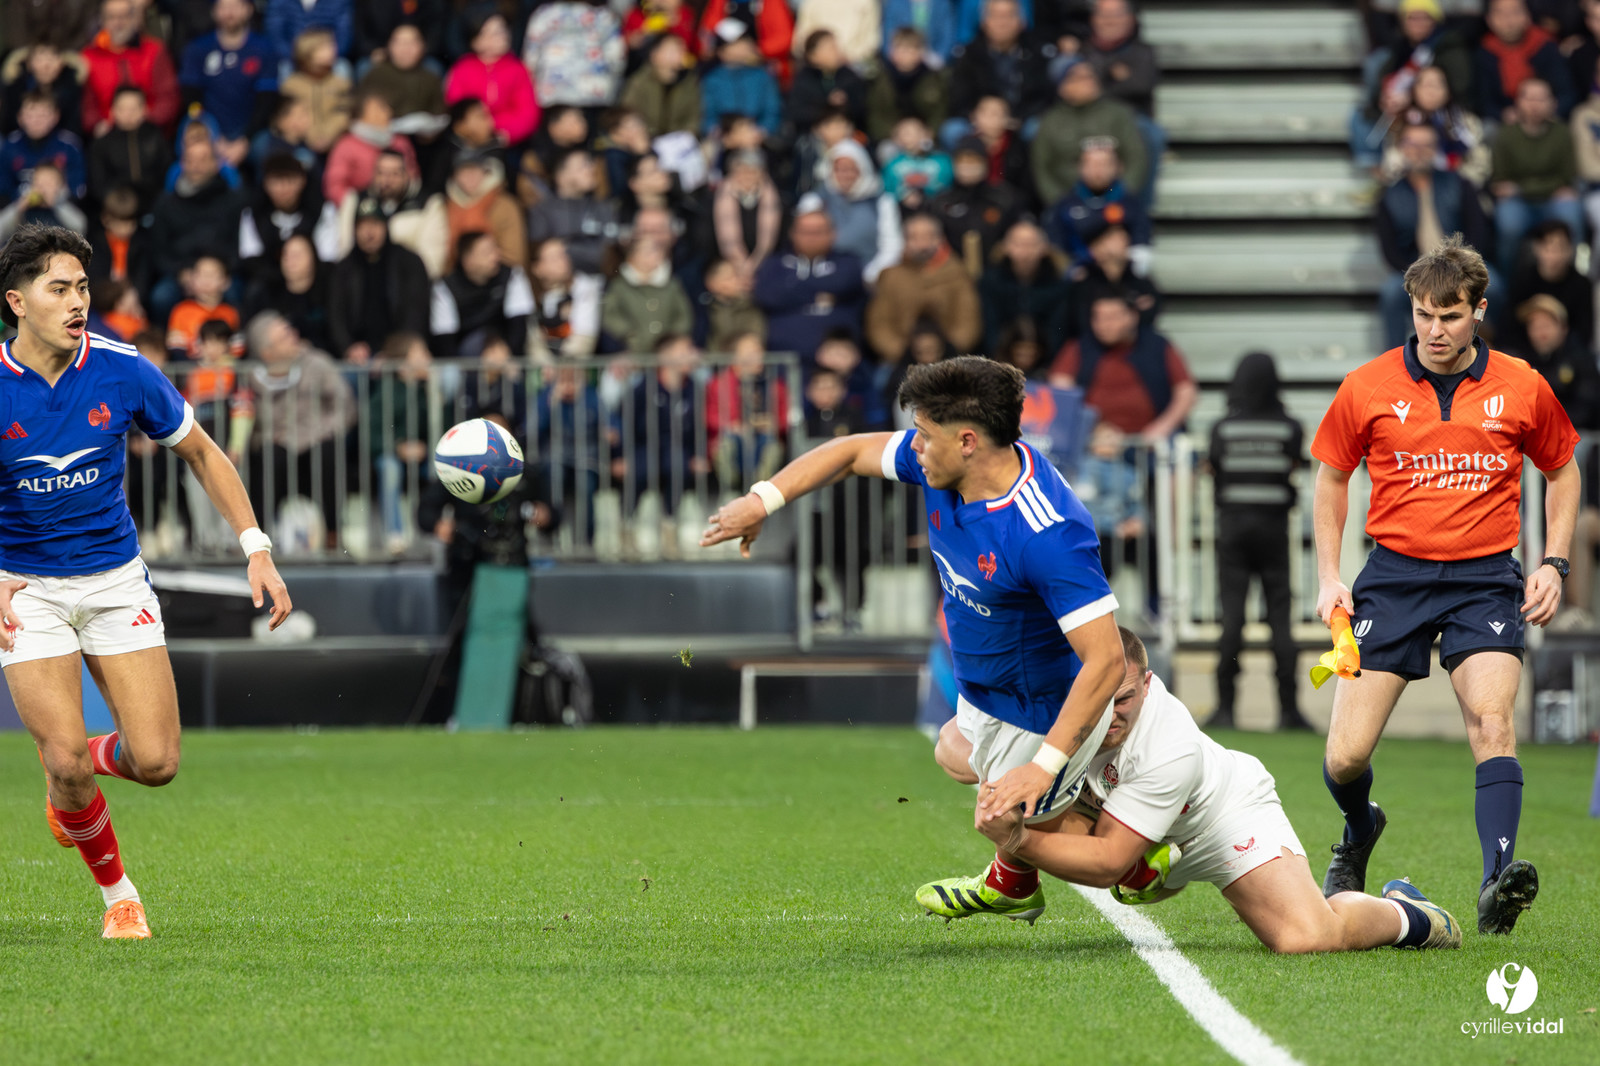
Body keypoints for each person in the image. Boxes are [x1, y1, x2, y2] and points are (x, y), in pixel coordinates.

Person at [702, 356, 1125, 923]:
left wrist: (1043, 765)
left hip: (1041, 706)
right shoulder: (944, 463)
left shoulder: (1047, 532)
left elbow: (1106, 660)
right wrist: (762, 500)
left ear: (968, 441)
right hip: (987, 689)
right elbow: (849, 451)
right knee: (951, 750)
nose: (914, 446)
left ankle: (1121, 860)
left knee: (1001, 817)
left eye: (924, 434)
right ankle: (1090, 797)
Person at [0, 223, 291, 938]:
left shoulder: (123, 369)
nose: (77, 302)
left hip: (115, 583)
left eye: (82, 288)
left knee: (156, 762)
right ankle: (119, 897)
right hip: (25, 588)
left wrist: (256, 547)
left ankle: (70, 777)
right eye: (59, 289)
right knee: (65, 759)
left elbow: (203, 453)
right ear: (17, 301)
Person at [1311, 234, 1579, 935]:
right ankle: (1359, 828)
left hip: (1485, 579)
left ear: (1479, 311)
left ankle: (1497, 884)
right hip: (1392, 577)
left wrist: (1553, 562)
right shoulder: (1367, 386)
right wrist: (1330, 577)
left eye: (1451, 316)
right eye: (1424, 314)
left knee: (1493, 723)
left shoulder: (1522, 384)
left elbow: (1563, 470)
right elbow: (1332, 478)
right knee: (1345, 756)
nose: (1435, 330)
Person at [960, 628, 1463, 953]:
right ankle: (1143, 869)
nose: (1111, 714)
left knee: (1308, 938)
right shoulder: (1062, 709)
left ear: (1148, 684)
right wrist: (988, 764)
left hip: (1219, 820)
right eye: (1101, 698)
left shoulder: (1169, 744)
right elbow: (951, 745)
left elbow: (1107, 861)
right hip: (1141, 829)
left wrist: (1016, 840)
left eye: (1125, 698)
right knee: (1048, 803)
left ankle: (1410, 913)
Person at [1207, 352, 1313, 733]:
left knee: (1232, 619)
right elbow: (1293, 469)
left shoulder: (1222, 429)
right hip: (1273, 531)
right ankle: (1288, 710)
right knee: (1280, 619)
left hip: (1233, 531)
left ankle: (1225, 709)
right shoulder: (1289, 428)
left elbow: (1216, 472)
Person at [1375, 120, 1495, 348]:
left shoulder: (1459, 184)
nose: (1419, 151)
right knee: (1390, 293)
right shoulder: (1389, 195)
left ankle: (1486, 352)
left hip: (1461, 268)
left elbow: (1478, 233)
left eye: (1426, 144)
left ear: (1436, 148)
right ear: (1401, 147)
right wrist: (1421, 276)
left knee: (1495, 287)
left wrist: (1459, 268)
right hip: (1413, 272)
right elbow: (1389, 251)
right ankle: (1395, 359)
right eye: (1413, 144)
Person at [1048, 293, 1196, 441]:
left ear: (1133, 316)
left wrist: (1163, 427)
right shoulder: (1078, 348)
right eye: (1097, 318)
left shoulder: (1158, 346)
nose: (1103, 325)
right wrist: (1092, 429)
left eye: (1111, 318)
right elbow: (1060, 391)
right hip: (1094, 441)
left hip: (1151, 440)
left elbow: (1186, 391)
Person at [1489, 77, 1583, 279]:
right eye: (1529, 98)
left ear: (1553, 103)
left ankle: (1574, 282)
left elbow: (1567, 178)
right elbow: (1500, 182)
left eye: (1541, 99)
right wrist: (1544, 186)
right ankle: (1508, 282)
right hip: (1518, 202)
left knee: (1572, 216)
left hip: (1551, 200)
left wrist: (1520, 188)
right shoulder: (1505, 135)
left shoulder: (1562, 133)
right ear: (1518, 102)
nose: (1535, 105)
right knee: (1509, 225)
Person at [752, 204, 868, 363]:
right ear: (792, 234)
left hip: (840, 361)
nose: (812, 237)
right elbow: (768, 296)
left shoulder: (848, 262)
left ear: (833, 233)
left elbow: (844, 283)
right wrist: (822, 293)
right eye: (805, 231)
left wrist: (791, 289)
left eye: (818, 231)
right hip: (783, 360)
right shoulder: (774, 264)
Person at [1032, 56, 1148, 206]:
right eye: (1079, 78)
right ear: (1062, 87)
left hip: (1115, 200)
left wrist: (1122, 195)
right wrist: (1060, 203)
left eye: (1090, 75)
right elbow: (1042, 169)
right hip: (1069, 202)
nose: (1089, 81)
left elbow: (1136, 157)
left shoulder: (1118, 114)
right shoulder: (1051, 121)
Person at [328, 199, 432, 365]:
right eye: (362, 226)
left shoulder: (408, 261)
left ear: (386, 227)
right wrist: (348, 347)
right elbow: (336, 316)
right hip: (358, 357)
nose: (369, 233)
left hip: (402, 353)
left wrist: (395, 352)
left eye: (375, 224)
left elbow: (416, 313)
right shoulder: (344, 269)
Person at [865, 213, 980, 361]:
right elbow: (879, 324)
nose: (922, 244)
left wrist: (948, 351)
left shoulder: (958, 274)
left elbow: (968, 321)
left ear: (939, 239)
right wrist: (902, 354)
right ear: (905, 241)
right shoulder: (890, 277)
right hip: (901, 360)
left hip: (950, 359)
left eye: (928, 237)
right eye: (914, 237)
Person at [179, 0, 280, 167]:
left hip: (252, 131)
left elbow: (267, 101)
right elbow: (191, 98)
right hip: (209, 126)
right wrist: (212, 135)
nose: (229, 13)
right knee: (190, 144)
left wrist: (245, 140)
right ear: (213, 11)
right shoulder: (198, 48)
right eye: (223, 7)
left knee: (270, 151)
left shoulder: (264, 48)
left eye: (235, 7)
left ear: (249, 10)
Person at [81, 0, 180, 136]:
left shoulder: (155, 51)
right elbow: (87, 107)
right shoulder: (89, 57)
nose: (118, 23)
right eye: (111, 17)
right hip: (107, 136)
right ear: (102, 21)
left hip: (150, 134)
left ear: (135, 18)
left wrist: (145, 120)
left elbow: (168, 98)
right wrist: (98, 124)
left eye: (124, 16)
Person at [979, 218, 1070, 355]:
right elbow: (990, 327)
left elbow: (1058, 329)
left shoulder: (1058, 283)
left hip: (1044, 357)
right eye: (1018, 244)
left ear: (1045, 248)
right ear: (1005, 247)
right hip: (1001, 356)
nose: (1025, 252)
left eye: (1032, 245)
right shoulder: (990, 282)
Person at [1477, 0, 1575, 122]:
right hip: (1506, 121)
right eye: (1500, 13)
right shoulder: (1485, 52)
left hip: (1547, 117)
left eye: (1515, 12)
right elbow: (1483, 101)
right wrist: (1503, 114)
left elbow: (1567, 93)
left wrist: (1550, 110)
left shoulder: (1545, 45)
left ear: (1528, 16)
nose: (1509, 20)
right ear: (1488, 19)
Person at [85, 86, 170, 214]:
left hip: (154, 206)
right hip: (115, 209)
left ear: (144, 109)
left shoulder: (156, 136)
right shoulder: (101, 144)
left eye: (134, 109)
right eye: (122, 109)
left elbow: (166, 172)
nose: (128, 114)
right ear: (113, 110)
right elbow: (97, 184)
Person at [621, 33, 700, 139]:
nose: (681, 53)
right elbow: (629, 114)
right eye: (673, 50)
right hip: (646, 139)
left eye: (682, 49)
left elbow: (693, 117)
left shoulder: (689, 82)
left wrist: (684, 136)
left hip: (678, 141)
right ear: (654, 54)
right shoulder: (639, 82)